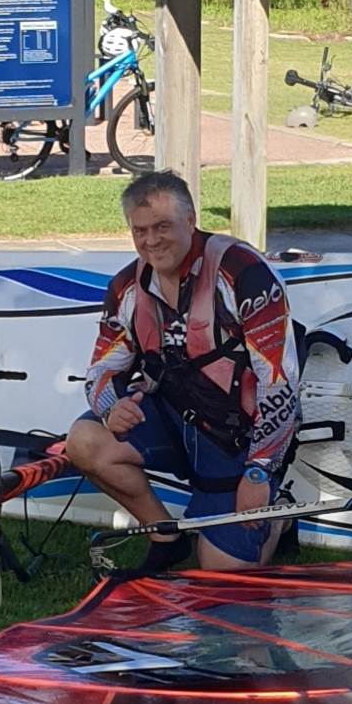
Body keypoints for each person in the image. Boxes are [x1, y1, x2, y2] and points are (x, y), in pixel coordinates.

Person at [66, 171, 300, 573]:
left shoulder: (243, 272)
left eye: (162, 226)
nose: (151, 241)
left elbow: (280, 382)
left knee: (221, 572)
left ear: (190, 220)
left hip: (236, 440)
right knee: (85, 441)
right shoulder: (125, 286)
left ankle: (278, 516)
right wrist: (110, 409)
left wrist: (259, 470)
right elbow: (100, 368)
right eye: (140, 230)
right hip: (172, 421)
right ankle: (165, 537)